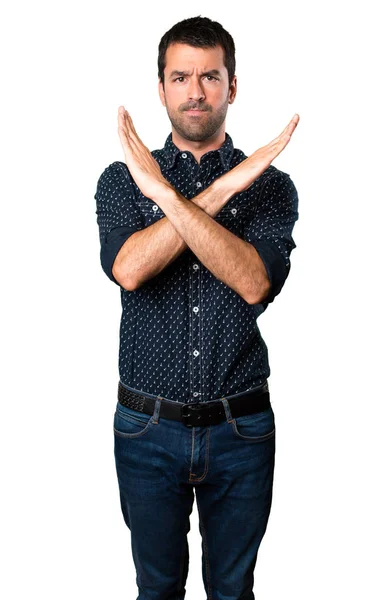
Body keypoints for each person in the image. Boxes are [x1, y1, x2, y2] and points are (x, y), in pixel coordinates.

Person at [94, 15, 299, 600]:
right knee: (156, 591)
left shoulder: (272, 186)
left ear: (232, 86)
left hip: (242, 428)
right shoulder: (123, 179)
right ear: (160, 88)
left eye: (210, 76)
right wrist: (206, 188)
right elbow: (130, 269)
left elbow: (254, 282)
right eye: (180, 77)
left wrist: (182, 197)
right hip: (145, 428)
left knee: (232, 591)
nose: (196, 90)